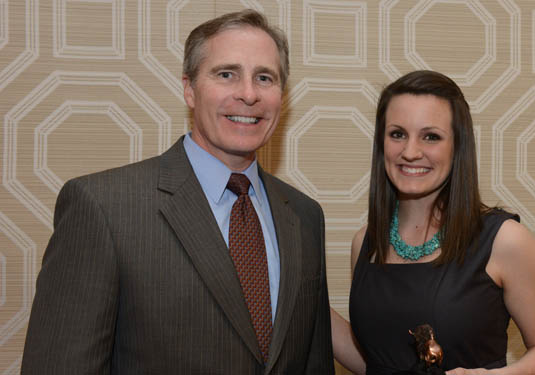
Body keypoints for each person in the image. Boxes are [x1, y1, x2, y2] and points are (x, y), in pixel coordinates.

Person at [21, 9, 333, 374]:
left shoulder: (304, 215)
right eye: (226, 74)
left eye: (265, 78)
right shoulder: (103, 208)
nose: (248, 94)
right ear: (189, 88)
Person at [331, 70, 535, 375]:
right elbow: (376, 362)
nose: (411, 152)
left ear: (458, 147)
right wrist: (295, 293)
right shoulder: (365, 243)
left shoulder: (505, 240)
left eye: (431, 136)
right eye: (397, 134)